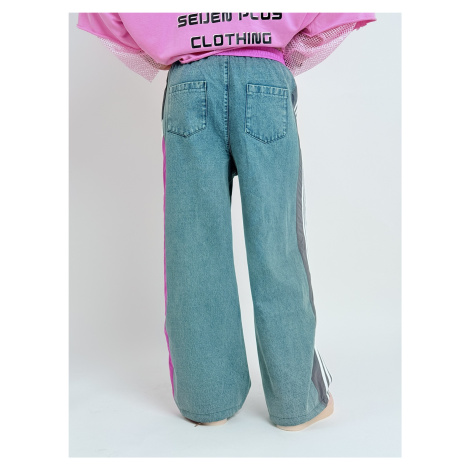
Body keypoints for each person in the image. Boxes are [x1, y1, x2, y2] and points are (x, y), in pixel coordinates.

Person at [76, 12, 376, 431]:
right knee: (278, 246)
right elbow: (332, 15)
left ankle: (208, 400)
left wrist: (174, 43)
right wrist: (270, 42)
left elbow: (108, 15)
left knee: (194, 248)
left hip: (190, 81)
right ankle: (296, 402)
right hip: (264, 80)